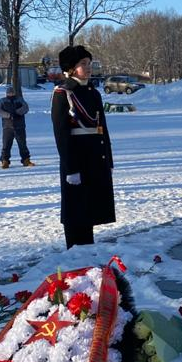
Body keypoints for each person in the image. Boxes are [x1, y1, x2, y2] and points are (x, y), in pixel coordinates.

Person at [52, 44, 115, 248]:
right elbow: (62, 134)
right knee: (75, 211)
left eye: (89, 63)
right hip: (77, 160)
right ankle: (75, 254)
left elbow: (102, 129)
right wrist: (71, 168)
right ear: (71, 69)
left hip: (95, 159)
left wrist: (108, 160)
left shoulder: (93, 93)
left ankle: (88, 251)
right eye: (82, 64)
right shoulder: (64, 93)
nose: (88, 67)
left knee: (90, 210)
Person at [0, 85, 34, 168]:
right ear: (6, 94)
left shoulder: (19, 100)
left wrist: (17, 112)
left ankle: (26, 160)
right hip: (7, 127)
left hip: (19, 126)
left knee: (22, 144)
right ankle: (5, 160)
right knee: (6, 145)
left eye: (12, 92)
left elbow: (25, 107)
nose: (11, 94)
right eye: (9, 93)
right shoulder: (2, 101)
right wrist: (8, 115)